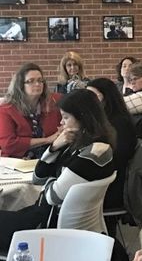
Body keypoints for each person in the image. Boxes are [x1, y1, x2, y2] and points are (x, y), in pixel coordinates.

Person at [0, 90, 115, 251]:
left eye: (66, 117)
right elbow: (37, 178)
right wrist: (54, 147)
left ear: (83, 117)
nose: (62, 123)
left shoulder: (92, 154)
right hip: (41, 215)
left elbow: (52, 196)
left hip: (43, 226)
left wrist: (51, 181)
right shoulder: (79, 144)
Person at [86, 78, 137, 210]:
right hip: (105, 178)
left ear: (106, 97)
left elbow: (118, 157)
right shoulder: (101, 120)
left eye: (93, 96)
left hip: (112, 185)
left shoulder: (118, 122)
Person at [0, 63, 61, 158]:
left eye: (40, 80)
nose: (37, 84)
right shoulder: (7, 109)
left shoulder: (54, 101)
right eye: (30, 81)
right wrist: (47, 140)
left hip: (50, 157)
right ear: (20, 85)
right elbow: (8, 144)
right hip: (17, 162)